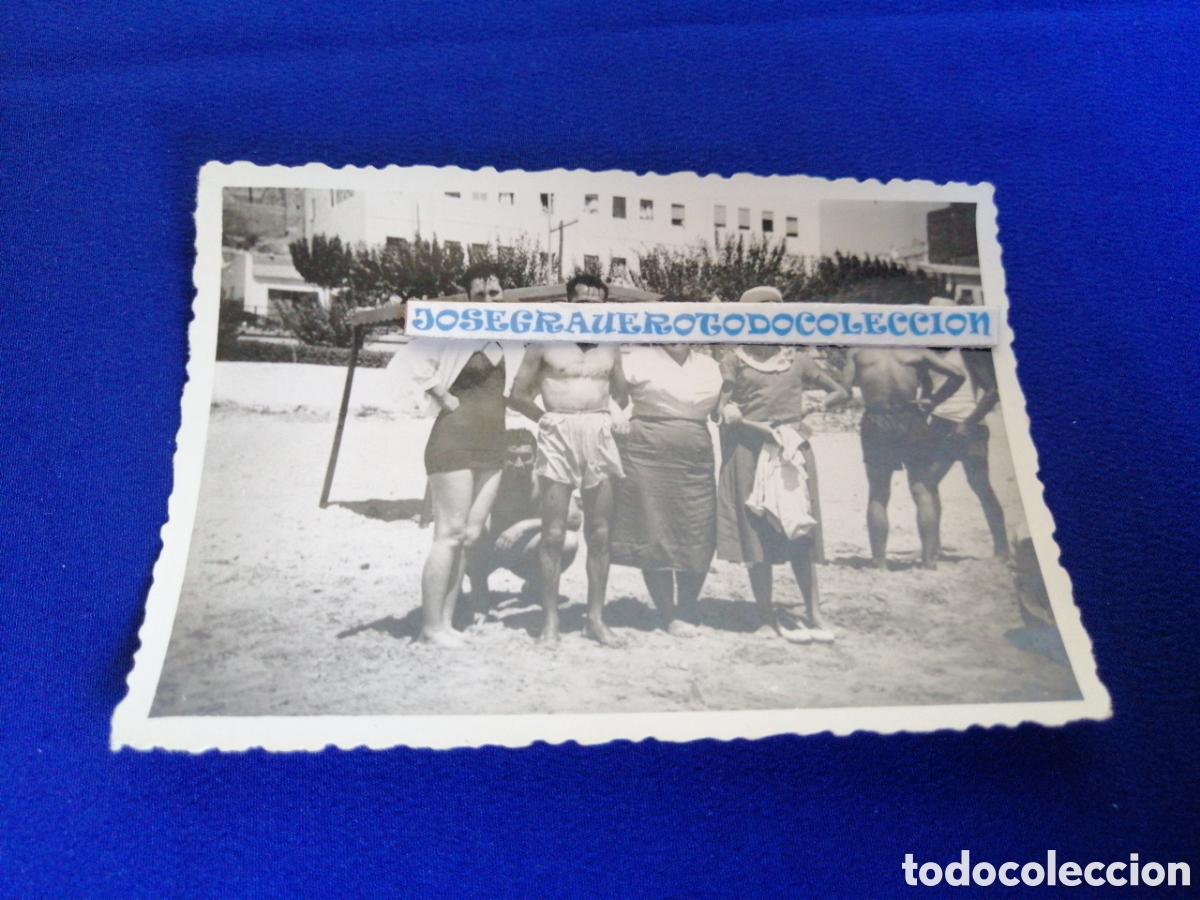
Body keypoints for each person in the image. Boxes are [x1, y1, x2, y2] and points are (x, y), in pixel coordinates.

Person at [396, 263, 524, 646]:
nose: (488, 299)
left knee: (470, 535)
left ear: (505, 295)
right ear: (468, 298)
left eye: (495, 293)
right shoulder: (452, 329)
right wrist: (442, 396)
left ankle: (447, 623)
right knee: (448, 534)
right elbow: (407, 362)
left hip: (492, 441)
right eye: (480, 294)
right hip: (453, 438)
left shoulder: (515, 338)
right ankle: (430, 627)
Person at [716, 289, 850, 642]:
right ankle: (765, 617)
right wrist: (729, 410)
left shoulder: (798, 360)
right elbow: (722, 409)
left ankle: (814, 612)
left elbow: (840, 392)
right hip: (749, 452)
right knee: (758, 533)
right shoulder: (734, 360)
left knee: (800, 531)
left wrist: (820, 405)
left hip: (791, 452)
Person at [509, 273, 629, 646]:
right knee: (554, 533)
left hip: (597, 432)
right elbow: (517, 393)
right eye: (581, 302)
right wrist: (545, 419)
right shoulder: (545, 341)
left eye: (596, 303)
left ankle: (595, 619)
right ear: (569, 303)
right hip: (557, 431)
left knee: (600, 532)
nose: (589, 309)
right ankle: (550, 623)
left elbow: (621, 392)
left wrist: (612, 413)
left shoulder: (611, 345)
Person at [611, 295, 724, 636]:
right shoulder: (636, 359)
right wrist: (617, 415)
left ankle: (688, 606)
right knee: (653, 528)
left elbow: (722, 409)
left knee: (697, 529)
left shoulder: (710, 365)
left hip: (695, 456)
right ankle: (666, 611)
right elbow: (611, 397)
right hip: (646, 454)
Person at [841, 346, 966, 571]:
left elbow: (844, 390)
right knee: (922, 490)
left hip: (877, 419)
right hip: (911, 419)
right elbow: (958, 374)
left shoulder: (858, 351)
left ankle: (879, 563)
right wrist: (934, 400)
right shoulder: (916, 351)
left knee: (878, 493)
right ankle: (929, 561)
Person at [462, 429, 581, 615]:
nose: (518, 464)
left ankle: (536, 585)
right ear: (501, 458)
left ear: (536, 457)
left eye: (526, 457)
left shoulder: (545, 479)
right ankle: (476, 596)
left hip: (523, 549)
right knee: (468, 539)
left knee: (568, 541)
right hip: (492, 549)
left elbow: (574, 517)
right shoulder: (491, 481)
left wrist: (524, 525)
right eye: (511, 457)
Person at [923, 300, 1008, 558]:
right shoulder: (927, 349)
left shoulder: (969, 348)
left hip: (969, 426)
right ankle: (933, 546)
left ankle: (1002, 548)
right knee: (928, 483)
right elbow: (929, 390)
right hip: (939, 423)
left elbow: (994, 389)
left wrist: (969, 422)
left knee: (980, 486)